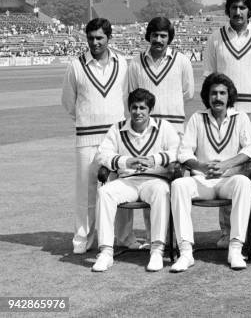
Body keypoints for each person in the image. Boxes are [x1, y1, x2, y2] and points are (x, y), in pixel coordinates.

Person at [203, 0, 251, 248]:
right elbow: (210, 77)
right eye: (233, 7)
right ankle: (228, 231)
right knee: (228, 168)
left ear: (249, 10)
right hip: (227, 111)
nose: (238, 11)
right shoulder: (215, 38)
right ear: (228, 10)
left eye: (243, 7)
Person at [170, 74, 251, 272]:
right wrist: (201, 166)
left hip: (229, 180)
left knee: (244, 183)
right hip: (203, 180)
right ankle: (185, 252)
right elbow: (184, 152)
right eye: (213, 93)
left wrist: (227, 164)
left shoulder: (240, 117)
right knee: (178, 185)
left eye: (222, 93)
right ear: (207, 96)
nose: (218, 98)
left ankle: (235, 248)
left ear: (229, 96)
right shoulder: (197, 118)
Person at [92, 88, 180, 272]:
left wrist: (154, 160)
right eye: (134, 108)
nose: (138, 112)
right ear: (128, 109)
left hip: (155, 179)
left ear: (150, 110)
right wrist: (126, 161)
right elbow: (101, 155)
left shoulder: (164, 127)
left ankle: (156, 250)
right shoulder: (117, 129)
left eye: (142, 108)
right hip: (127, 180)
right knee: (104, 192)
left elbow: (178, 151)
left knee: (161, 191)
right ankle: (106, 252)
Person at [124, 16, 194, 248]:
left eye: (163, 36)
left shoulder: (182, 61)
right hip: (147, 131)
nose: (158, 40)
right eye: (155, 35)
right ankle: (156, 238)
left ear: (169, 38)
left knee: (177, 184)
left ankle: (176, 238)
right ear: (149, 36)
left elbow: (188, 92)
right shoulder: (135, 63)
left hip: (175, 128)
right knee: (150, 181)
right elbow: (132, 96)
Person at [61, 18, 128, 254]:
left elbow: (127, 98)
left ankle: (124, 237)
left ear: (109, 38)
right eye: (91, 38)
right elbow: (69, 102)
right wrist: (86, 120)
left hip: (116, 139)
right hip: (86, 138)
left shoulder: (123, 63)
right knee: (86, 192)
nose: (95, 42)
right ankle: (83, 239)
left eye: (100, 37)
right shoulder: (76, 65)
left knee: (120, 189)